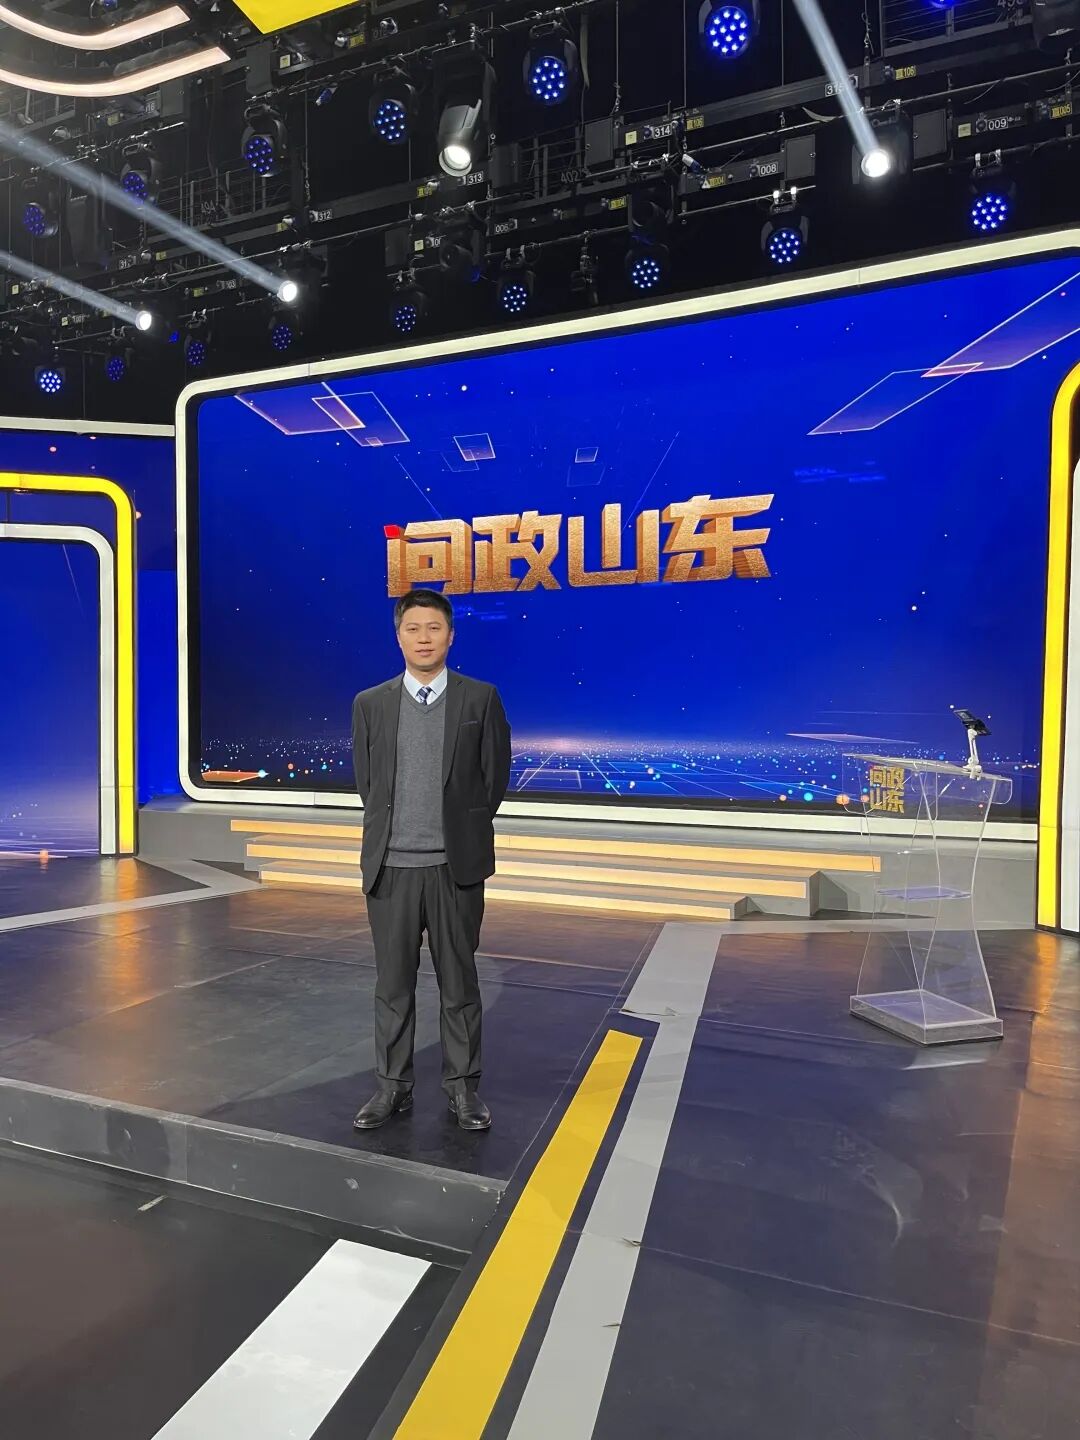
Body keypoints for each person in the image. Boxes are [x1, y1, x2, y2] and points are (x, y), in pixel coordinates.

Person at [350, 587, 512, 1132]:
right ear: (398, 637)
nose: (424, 638)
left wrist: (458, 834)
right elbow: (369, 786)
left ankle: (463, 1089)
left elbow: (492, 781)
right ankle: (392, 1088)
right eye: (413, 629)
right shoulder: (370, 703)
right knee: (393, 987)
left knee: (459, 985)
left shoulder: (480, 699)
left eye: (434, 628)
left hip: (454, 870)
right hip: (391, 870)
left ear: (451, 636)